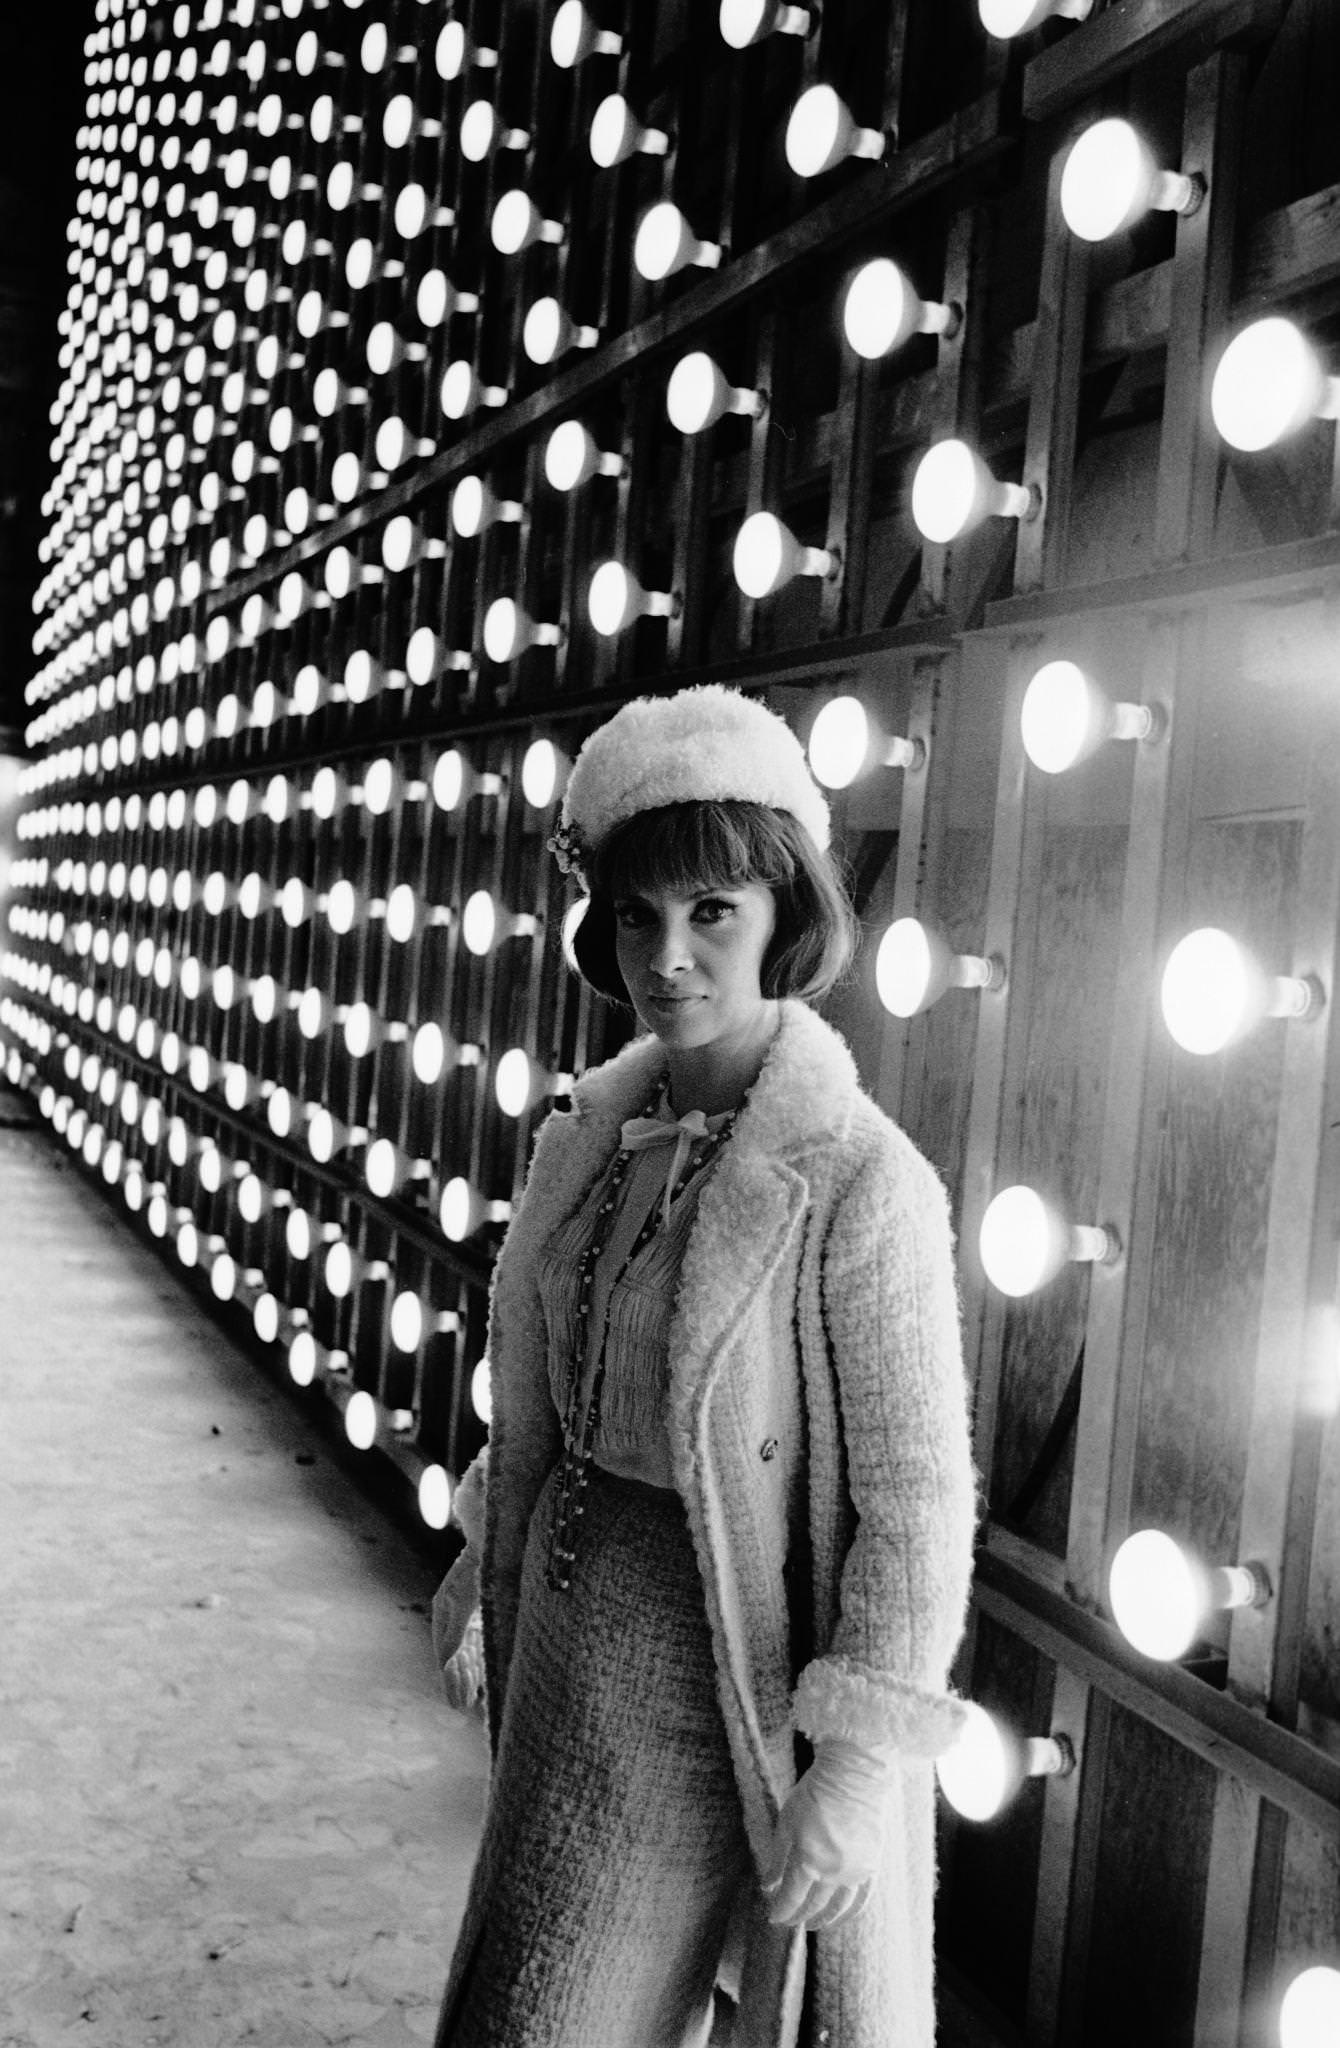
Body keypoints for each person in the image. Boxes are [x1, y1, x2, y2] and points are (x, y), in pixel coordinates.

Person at [430, 683, 978, 2048]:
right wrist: (485, 1571)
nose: (666, 956)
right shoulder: (594, 1139)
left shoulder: (857, 1181)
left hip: (704, 1675)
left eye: (711, 913)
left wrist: (853, 1767)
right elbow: (564, 1399)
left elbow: (918, 1501)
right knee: (512, 1975)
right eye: (635, 915)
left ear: (784, 914)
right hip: (562, 1644)